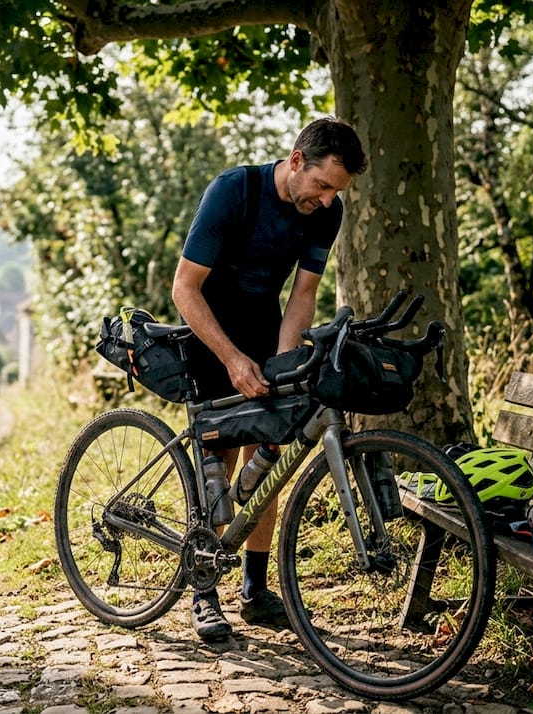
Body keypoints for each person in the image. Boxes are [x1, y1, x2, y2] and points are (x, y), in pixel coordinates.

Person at [172, 116, 368, 641]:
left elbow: (303, 294)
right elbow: (184, 288)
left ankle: (255, 590)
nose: (327, 200)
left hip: (265, 326)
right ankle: (204, 591)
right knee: (219, 461)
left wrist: (282, 367)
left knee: (269, 454)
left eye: (336, 191)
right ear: (296, 161)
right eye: (322, 186)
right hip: (209, 332)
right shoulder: (233, 192)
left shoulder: (326, 212)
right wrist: (232, 360)